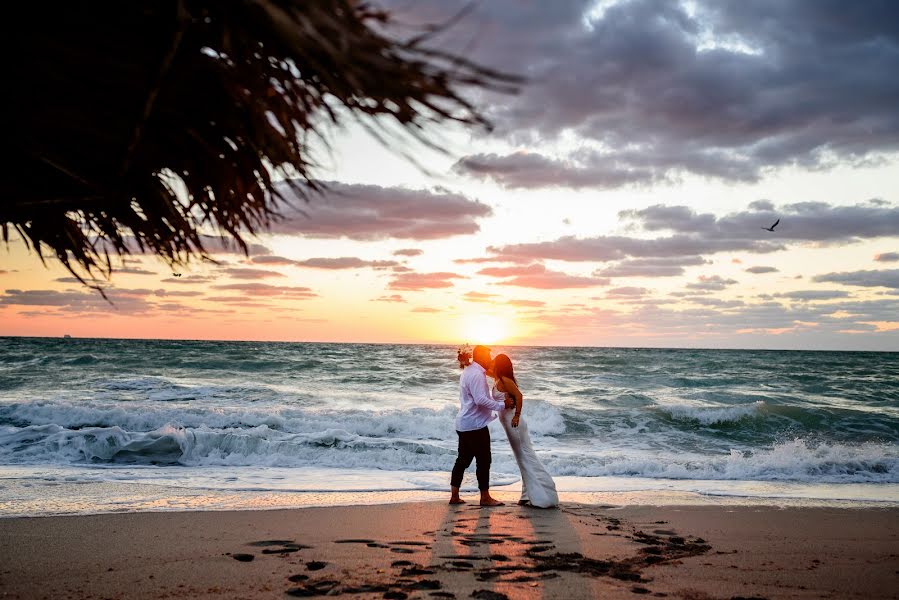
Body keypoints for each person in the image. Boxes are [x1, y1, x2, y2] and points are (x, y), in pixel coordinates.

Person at [490, 353, 559, 508]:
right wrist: (466, 361)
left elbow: (519, 396)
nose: (492, 362)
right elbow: (485, 369)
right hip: (509, 425)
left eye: (495, 361)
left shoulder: (505, 381)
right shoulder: (498, 378)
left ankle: (543, 495)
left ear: (500, 365)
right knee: (522, 458)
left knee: (525, 457)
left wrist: (516, 415)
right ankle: (526, 495)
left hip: (514, 424)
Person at [449, 344, 514, 506]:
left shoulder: (470, 370)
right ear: (481, 357)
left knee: (462, 460)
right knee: (484, 460)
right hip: (475, 425)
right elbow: (480, 400)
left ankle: (454, 496)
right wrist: (502, 405)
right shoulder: (477, 374)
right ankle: (485, 497)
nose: (490, 359)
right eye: (488, 356)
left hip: (464, 423)